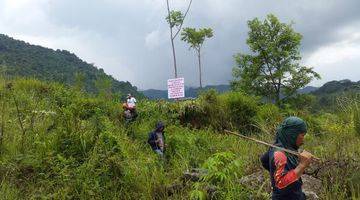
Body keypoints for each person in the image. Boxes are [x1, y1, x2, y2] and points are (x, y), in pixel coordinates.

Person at [260, 117, 313, 200]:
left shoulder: (280, 146)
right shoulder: (280, 154)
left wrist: (275, 172)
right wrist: (302, 165)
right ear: (292, 135)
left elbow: (264, 160)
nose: (303, 139)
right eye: (302, 135)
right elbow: (281, 185)